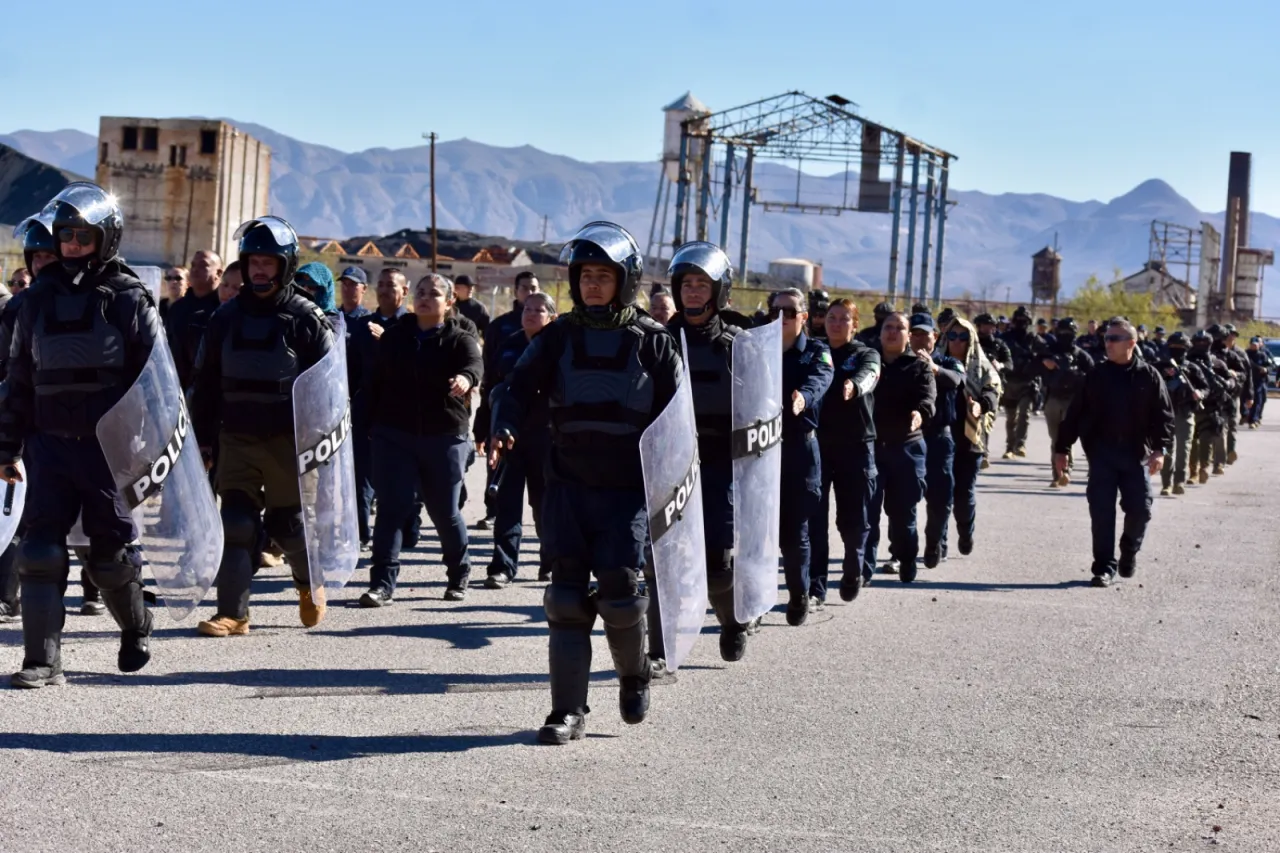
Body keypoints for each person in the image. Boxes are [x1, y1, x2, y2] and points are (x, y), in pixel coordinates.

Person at [489, 221, 680, 745]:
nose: (594, 284)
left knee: (620, 591)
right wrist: (502, 425)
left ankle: (634, 673)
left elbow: (676, 422)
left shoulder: (655, 343)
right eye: (586, 275)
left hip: (627, 491)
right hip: (567, 484)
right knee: (566, 596)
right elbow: (514, 388)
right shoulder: (559, 336)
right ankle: (566, 712)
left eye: (605, 275)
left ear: (626, 280)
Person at [0, 183, 162, 687]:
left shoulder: (130, 298)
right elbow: (19, 380)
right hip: (47, 444)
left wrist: (153, 450)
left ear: (105, 238)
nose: (71, 243)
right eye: (64, 235)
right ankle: (42, 662)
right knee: (40, 550)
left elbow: (156, 383)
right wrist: (6, 446)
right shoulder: (35, 302)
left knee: (110, 557)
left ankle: (137, 626)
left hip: (107, 450)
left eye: (81, 235)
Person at [190, 216, 334, 636]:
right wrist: (202, 439)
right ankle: (233, 614)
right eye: (253, 261)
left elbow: (327, 390)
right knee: (236, 522)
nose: (258, 270)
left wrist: (322, 446)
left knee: (288, 525)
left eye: (268, 262)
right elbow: (206, 383)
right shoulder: (225, 317)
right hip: (236, 437)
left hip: (290, 444)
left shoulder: (306, 318)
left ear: (285, 265)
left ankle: (310, 583)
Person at [649, 242, 751, 663]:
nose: (692, 291)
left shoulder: (739, 341)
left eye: (701, 284)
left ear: (719, 289)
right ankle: (660, 649)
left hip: (721, 464)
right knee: (662, 563)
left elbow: (763, 406)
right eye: (686, 283)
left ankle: (731, 620)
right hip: (671, 463)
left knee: (718, 566)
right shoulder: (660, 340)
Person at [360, 275, 482, 606]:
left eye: (434, 293)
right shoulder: (395, 337)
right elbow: (374, 382)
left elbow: (474, 365)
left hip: (443, 434)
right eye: (421, 292)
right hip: (394, 433)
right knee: (392, 507)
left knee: (444, 511)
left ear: (449, 301)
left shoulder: (460, 338)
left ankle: (459, 572)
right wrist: (364, 424)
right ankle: (382, 584)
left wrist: (465, 378)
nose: (426, 298)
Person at [1054, 318, 1172, 587]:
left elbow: (1164, 417)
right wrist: (1062, 448)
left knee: (1141, 509)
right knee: (1102, 512)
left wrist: (1159, 450)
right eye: (1106, 338)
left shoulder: (1149, 376)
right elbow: (1074, 414)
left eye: (1114, 339)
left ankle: (1128, 551)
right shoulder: (1096, 375)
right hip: (1102, 454)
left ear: (1131, 343)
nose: (1107, 343)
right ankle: (1104, 567)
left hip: (1136, 455)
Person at [476, 292, 556, 588]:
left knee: (544, 505)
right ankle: (503, 567)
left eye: (539, 310)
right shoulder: (509, 346)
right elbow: (491, 391)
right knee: (507, 505)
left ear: (552, 317)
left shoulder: (557, 348)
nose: (531, 314)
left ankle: (549, 562)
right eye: (527, 309)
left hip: (544, 438)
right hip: (507, 437)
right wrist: (483, 428)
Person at [767, 288, 833, 622]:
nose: (782, 317)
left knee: (796, 532)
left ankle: (799, 593)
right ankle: (754, 607)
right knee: (759, 534)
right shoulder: (757, 349)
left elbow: (821, 379)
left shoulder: (817, 352)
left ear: (803, 317)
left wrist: (803, 398)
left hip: (799, 448)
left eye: (790, 312)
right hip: (761, 449)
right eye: (776, 310)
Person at [811, 299, 879, 602]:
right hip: (818, 446)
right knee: (814, 517)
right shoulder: (814, 351)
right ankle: (815, 587)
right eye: (831, 317)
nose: (836, 323)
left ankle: (854, 564)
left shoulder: (865, 354)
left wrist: (854, 385)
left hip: (856, 446)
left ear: (855, 324)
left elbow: (871, 374)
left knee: (852, 519)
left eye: (843, 319)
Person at [866, 312, 935, 583]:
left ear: (908, 335)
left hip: (906, 449)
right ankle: (863, 569)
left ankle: (906, 558)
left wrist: (920, 413)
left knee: (902, 513)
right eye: (888, 327)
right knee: (866, 513)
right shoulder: (867, 363)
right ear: (880, 332)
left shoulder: (918, 366)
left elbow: (928, 398)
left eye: (900, 328)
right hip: (870, 448)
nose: (893, 332)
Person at [348, 268, 411, 548]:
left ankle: (408, 527)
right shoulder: (363, 325)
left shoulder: (411, 326)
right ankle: (362, 534)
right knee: (361, 475)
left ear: (404, 291)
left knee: (402, 478)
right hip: (366, 411)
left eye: (391, 285)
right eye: (381, 284)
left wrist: (387, 339)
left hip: (404, 413)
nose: (385, 290)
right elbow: (351, 369)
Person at [476, 272, 542, 531]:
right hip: (503, 419)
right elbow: (490, 382)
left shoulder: (555, 339)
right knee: (501, 479)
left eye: (534, 287)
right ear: (516, 291)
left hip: (540, 429)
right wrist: (482, 425)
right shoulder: (502, 330)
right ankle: (492, 513)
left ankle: (548, 558)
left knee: (543, 496)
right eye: (525, 288)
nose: (529, 291)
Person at [937, 315, 1001, 555]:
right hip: (940, 438)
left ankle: (966, 532)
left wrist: (981, 405)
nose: (956, 342)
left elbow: (993, 392)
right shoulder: (937, 364)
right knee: (940, 493)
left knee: (963, 494)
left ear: (971, 340)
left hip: (970, 440)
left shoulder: (983, 368)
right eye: (952, 336)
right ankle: (938, 543)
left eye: (963, 337)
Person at [912, 313, 967, 568]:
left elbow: (957, 380)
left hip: (939, 438)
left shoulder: (949, 361)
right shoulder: (902, 363)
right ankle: (899, 550)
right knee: (904, 498)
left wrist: (933, 368)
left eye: (927, 334)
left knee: (940, 498)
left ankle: (934, 541)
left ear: (936, 336)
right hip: (909, 438)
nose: (922, 338)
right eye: (916, 333)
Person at [1039, 318, 1094, 487]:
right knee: (1055, 439)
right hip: (1053, 399)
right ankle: (1057, 474)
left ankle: (1066, 472)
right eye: (1062, 333)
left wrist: (1074, 374)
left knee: (1068, 437)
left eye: (1068, 333)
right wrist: (1044, 363)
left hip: (1073, 401)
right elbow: (1031, 368)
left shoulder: (1081, 356)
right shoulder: (1048, 351)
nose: (1065, 336)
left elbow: (1093, 376)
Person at [1156, 332, 1207, 496]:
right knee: (1165, 450)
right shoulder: (1159, 367)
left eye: (1181, 348)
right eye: (1174, 348)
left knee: (1184, 450)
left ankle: (1179, 481)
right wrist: (1165, 376)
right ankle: (1166, 483)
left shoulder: (1192, 368)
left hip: (1185, 413)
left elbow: (1205, 387)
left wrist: (1199, 393)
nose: (1177, 351)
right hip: (1165, 415)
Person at [165, 250, 222, 391]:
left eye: (203, 265)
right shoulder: (177, 308)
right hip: (176, 388)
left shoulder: (223, 309)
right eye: (193, 265)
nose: (195, 269)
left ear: (219, 274)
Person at [1187, 330, 1234, 481]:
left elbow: (1230, 381)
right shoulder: (1185, 363)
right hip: (1190, 405)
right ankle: (1192, 470)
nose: (1201, 345)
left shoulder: (1217, 363)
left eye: (1204, 343)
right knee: (1192, 440)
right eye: (1198, 342)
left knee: (1206, 439)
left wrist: (1228, 383)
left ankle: (1204, 467)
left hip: (1212, 406)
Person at [999, 307, 1041, 458]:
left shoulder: (1033, 338)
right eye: (1019, 320)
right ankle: (1010, 447)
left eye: (1025, 321)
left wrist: (1034, 365)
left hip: (1026, 382)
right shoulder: (1005, 338)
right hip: (1009, 382)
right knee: (1011, 418)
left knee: (1024, 413)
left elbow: (1045, 354)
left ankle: (1020, 444)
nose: (1021, 323)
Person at [1216, 324, 1251, 464]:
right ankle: (1217, 455)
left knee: (1232, 424)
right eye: (1228, 335)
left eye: (1233, 335)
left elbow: (1247, 376)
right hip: (1216, 395)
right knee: (1218, 424)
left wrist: (1250, 396)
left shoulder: (1241, 354)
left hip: (1233, 394)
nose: (1231, 337)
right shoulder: (1215, 352)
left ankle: (1231, 450)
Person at [295, 262, 340, 330]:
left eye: (311, 287)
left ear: (324, 290)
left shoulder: (334, 321)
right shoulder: (293, 311)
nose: (304, 290)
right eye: (301, 286)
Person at [1244, 336, 1270, 428]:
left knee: (1258, 401)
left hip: (1259, 381)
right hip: (1247, 381)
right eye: (1252, 344)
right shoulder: (1245, 354)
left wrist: (1266, 370)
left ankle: (1254, 420)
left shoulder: (1262, 354)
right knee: (1246, 400)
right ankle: (1246, 416)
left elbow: (1269, 366)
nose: (1254, 346)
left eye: (1256, 344)